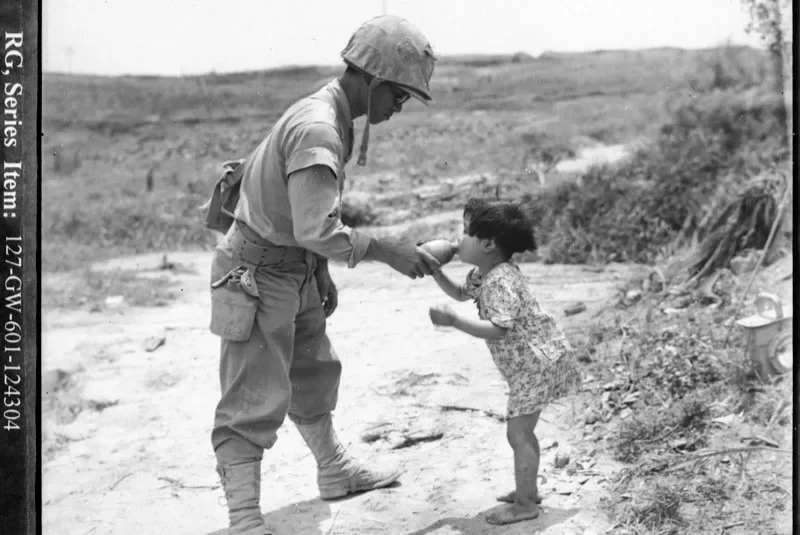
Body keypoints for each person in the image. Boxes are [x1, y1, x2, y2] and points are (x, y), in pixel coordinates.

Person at [208, 15, 440, 534]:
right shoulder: (318, 125)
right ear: (375, 81)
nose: (396, 110)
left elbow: (304, 221)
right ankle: (244, 519)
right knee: (252, 395)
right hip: (257, 271)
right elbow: (316, 225)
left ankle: (334, 470)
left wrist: (319, 271)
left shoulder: (334, 115)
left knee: (312, 370)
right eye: (398, 98)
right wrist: (384, 248)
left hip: (293, 265)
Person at [428, 197, 581, 526]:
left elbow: (498, 329)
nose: (458, 239)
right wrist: (435, 272)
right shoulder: (484, 273)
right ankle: (526, 488)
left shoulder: (500, 281)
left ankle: (526, 503)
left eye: (465, 233)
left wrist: (454, 322)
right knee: (522, 432)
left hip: (535, 366)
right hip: (531, 365)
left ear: (487, 244)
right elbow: (459, 293)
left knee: (519, 434)